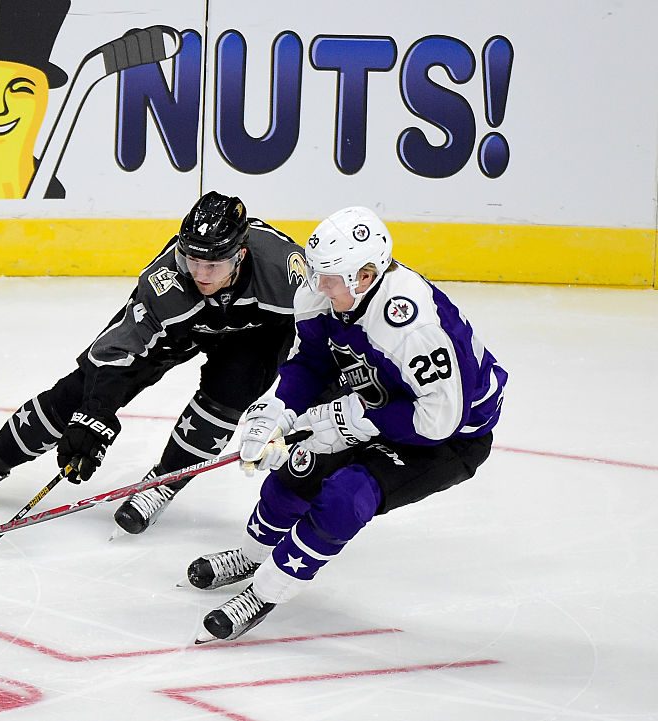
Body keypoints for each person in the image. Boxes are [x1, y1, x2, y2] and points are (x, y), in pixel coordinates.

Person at [187, 206, 507, 643]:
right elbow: (311, 361)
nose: (318, 285)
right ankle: (250, 555)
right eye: (317, 273)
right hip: (374, 394)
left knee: (345, 496)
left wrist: (354, 420)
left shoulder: (412, 326)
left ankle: (264, 592)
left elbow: (437, 421)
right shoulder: (324, 291)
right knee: (298, 464)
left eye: (330, 278)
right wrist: (277, 410)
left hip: (448, 434)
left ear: (366, 275)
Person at [0, 191, 309, 535]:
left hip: (257, 334)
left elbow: (320, 342)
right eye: (192, 260)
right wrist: (95, 413)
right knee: (78, 392)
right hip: (184, 327)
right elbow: (114, 352)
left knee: (225, 400)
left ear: (240, 256)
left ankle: (161, 485)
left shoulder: (285, 273)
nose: (200, 274)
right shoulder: (166, 284)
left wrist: (293, 411)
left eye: (212, 265)